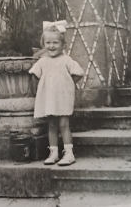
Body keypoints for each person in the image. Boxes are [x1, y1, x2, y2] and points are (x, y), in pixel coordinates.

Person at [29, 21, 84, 166]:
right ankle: (53, 153)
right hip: (49, 98)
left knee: (64, 124)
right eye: (48, 43)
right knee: (52, 125)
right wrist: (40, 89)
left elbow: (79, 73)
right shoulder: (42, 61)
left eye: (55, 42)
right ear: (43, 44)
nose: (51, 46)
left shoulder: (66, 60)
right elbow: (34, 76)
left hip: (63, 97)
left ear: (63, 45)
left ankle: (69, 154)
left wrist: (68, 84)